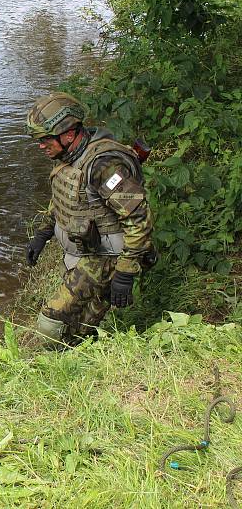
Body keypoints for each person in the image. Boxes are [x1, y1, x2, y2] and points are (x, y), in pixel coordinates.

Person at [24, 92, 155, 346]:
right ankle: (80, 361)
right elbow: (65, 200)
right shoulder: (69, 157)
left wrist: (125, 273)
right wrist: (42, 235)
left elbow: (138, 218)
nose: (41, 146)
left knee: (50, 324)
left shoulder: (104, 166)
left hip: (105, 258)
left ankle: (60, 357)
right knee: (81, 327)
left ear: (69, 133)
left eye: (45, 139)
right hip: (85, 252)